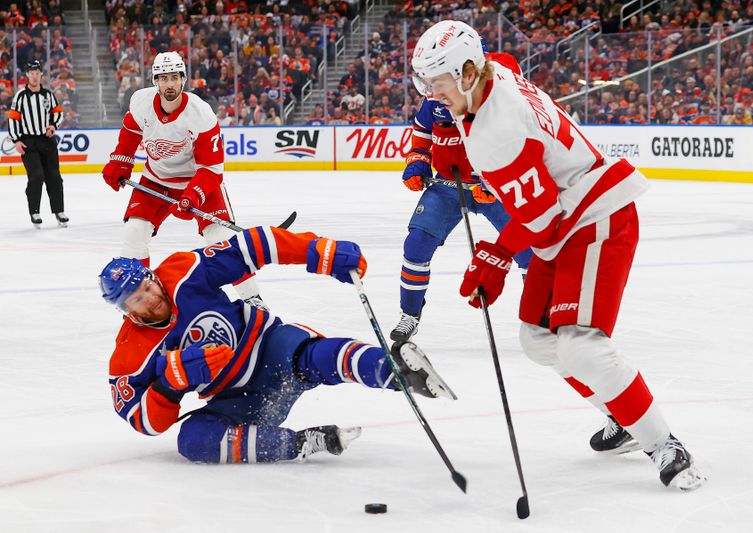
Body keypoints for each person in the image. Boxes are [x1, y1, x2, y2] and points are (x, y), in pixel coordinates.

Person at [412, 20, 707, 490]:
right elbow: (505, 65)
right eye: (424, 83)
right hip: (567, 218)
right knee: (538, 341)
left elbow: (541, 219)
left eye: (437, 83)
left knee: (582, 346)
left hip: (596, 218)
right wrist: (459, 149)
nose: (430, 94)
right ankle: (623, 416)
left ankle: (663, 443)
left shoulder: (499, 135)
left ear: (467, 73)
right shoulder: (493, 74)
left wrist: (496, 255)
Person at [98, 224, 455, 463]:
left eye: (147, 287)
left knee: (317, 356)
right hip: (241, 400)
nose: (150, 299)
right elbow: (141, 420)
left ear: (152, 277)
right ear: (124, 310)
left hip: (268, 346)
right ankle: (299, 443)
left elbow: (249, 247)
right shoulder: (130, 353)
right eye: (137, 300)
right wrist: (168, 385)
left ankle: (400, 373)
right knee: (192, 441)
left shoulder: (182, 271)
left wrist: (318, 251)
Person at [100, 51, 263, 307]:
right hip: (156, 180)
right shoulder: (141, 102)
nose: (169, 84)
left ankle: (253, 298)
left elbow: (211, 167)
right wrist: (121, 160)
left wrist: (193, 194)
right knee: (134, 232)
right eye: (163, 78)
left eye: (174, 78)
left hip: (197, 180)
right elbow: (131, 130)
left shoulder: (200, 114)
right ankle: (137, 300)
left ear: (183, 79)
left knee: (220, 239)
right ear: (155, 81)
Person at [390, 70, 533, 342]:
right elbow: (422, 134)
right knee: (416, 244)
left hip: (494, 187)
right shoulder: (434, 100)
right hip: (447, 187)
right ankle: (410, 314)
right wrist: (418, 162)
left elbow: (514, 144)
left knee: (530, 252)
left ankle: (539, 317)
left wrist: (491, 177)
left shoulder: (494, 99)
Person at [7, 59, 69, 228]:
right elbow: (13, 118)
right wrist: (16, 140)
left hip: (46, 140)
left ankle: (59, 211)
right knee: (36, 176)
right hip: (28, 142)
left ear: (41, 74)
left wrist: (53, 125)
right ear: (27, 75)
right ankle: (34, 211)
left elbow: (58, 113)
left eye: (37, 73)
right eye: (31, 73)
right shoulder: (20, 96)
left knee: (54, 176)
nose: (34, 76)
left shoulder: (48, 94)